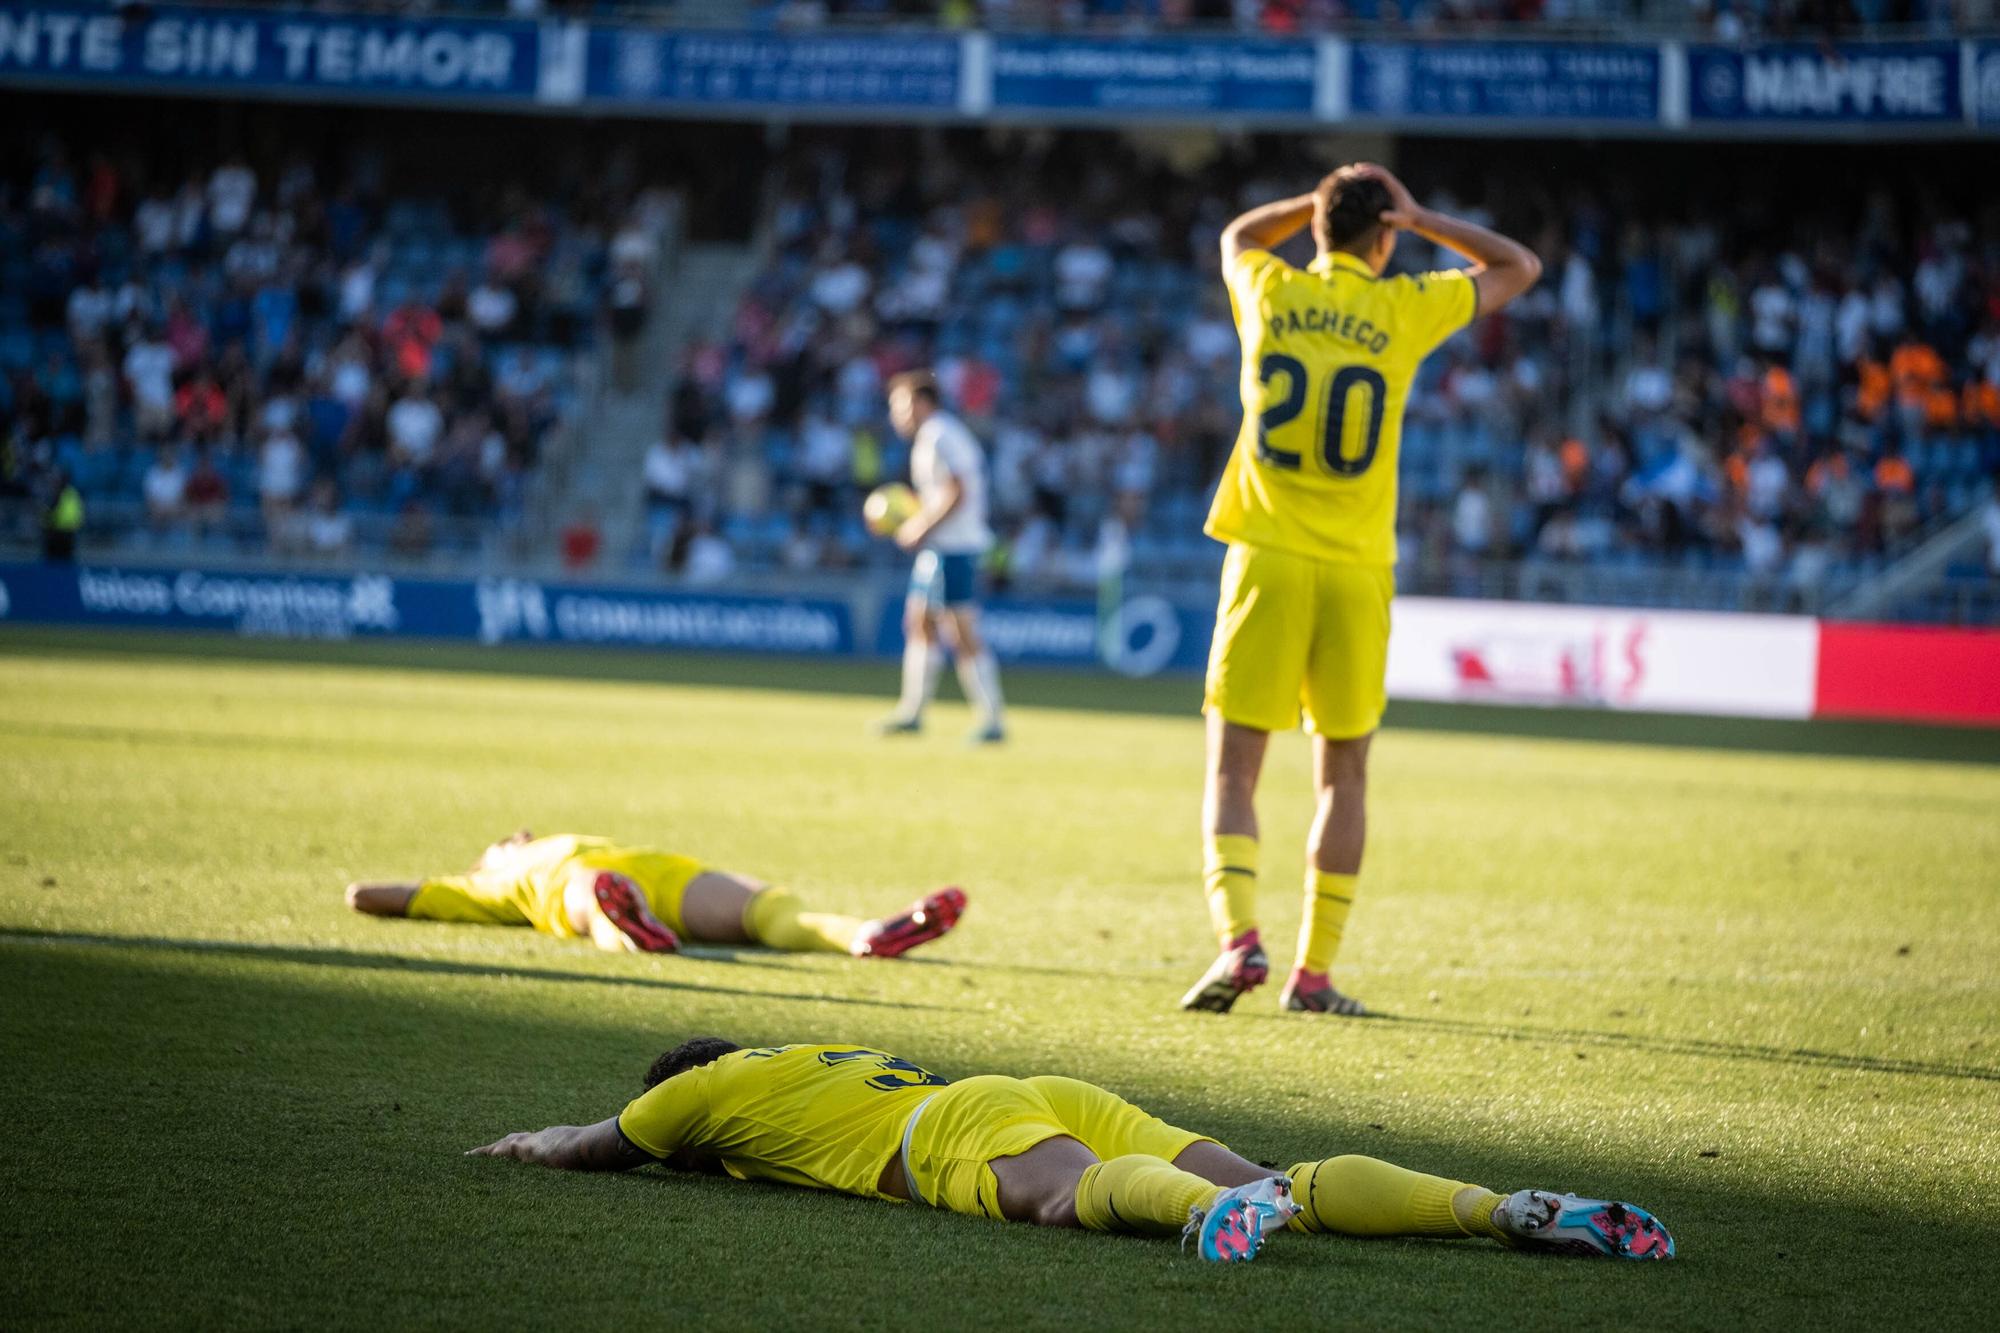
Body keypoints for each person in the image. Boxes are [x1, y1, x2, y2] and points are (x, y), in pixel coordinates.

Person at [1187, 163, 1541, 1017]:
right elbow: (1518, 266)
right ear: (1385, 237)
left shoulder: (1267, 286)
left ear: (1314, 227)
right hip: (1356, 567)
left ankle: (1239, 941)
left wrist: (1307, 208)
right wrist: (1423, 220)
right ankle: (1314, 976)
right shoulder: (1403, 305)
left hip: (1265, 556)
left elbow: (1237, 234)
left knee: (1235, 766)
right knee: (1343, 773)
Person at [468, 1038, 1674, 1266]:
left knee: (1068, 1202)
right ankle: (1499, 1207)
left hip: (939, 1130)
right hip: (1019, 1082)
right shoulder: (807, 1054)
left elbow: (591, 1148)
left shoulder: (702, 1094)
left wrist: (520, 1144)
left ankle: (1200, 1223)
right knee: (1273, 1176)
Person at [345, 830, 964, 960]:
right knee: (597, 901)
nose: (519, 835)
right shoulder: (486, 884)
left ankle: (867, 935)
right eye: (507, 839)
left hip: (662, 874)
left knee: (768, 906)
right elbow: (377, 896)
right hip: (581, 890)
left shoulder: (562, 839)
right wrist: (363, 890)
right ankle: (634, 929)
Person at [875, 370, 1007, 744]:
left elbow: (957, 491)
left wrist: (919, 527)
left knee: (960, 630)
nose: (896, 416)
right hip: (941, 546)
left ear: (921, 403)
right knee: (920, 621)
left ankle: (992, 717)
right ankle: (912, 711)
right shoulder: (933, 438)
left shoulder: (939, 436)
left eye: (899, 406)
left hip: (956, 547)